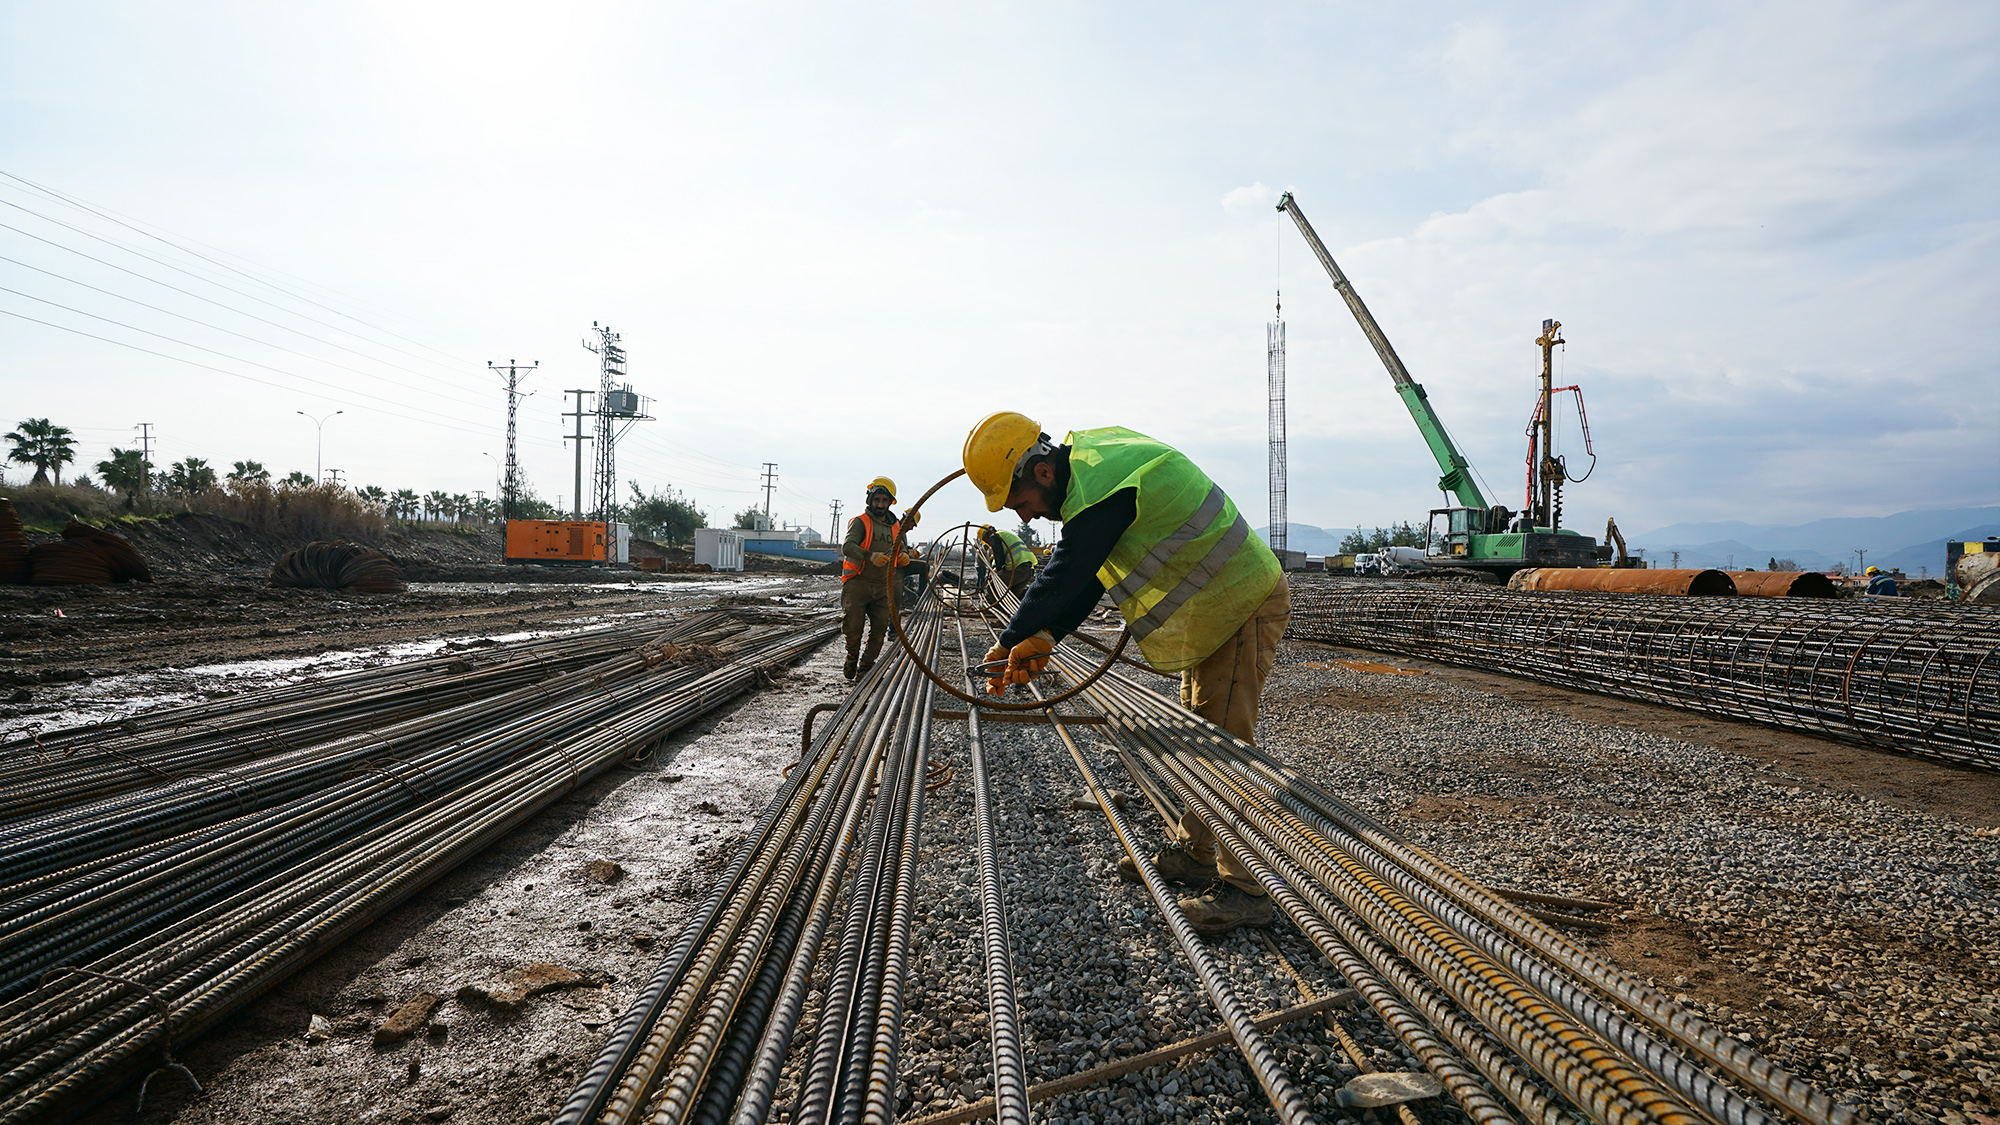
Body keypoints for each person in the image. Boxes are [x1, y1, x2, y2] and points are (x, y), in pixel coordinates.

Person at [962, 412, 1289, 934]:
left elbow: (1070, 566)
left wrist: (1007, 638)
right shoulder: (1094, 476)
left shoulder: (1103, 482)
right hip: (1217, 608)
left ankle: (1246, 889)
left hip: (1241, 600)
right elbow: (1090, 571)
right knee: (1202, 735)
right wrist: (1045, 635)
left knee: (1223, 747)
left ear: (1042, 473)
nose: (1025, 516)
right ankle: (1196, 852)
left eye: (1019, 501)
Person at [840, 476, 915, 680]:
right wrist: (869, 555)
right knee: (854, 629)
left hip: (882, 586)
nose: (880, 504)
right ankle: (852, 656)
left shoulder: (896, 527)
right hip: (858, 584)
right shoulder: (860, 522)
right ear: (870, 500)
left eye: (884, 500)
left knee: (880, 630)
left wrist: (905, 555)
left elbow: (903, 547)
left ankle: (865, 667)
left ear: (891, 502)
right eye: (877, 500)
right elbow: (847, 547)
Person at [977, 523, 1038, 597]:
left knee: (992, 587)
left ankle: (998, 608)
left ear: (987, 535)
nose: (987, 542)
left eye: (985, 540)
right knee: (1012, 596)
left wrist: (996, 574)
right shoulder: (1004, 534)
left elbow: (999, 560)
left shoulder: (994, 537)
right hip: (1028, 570)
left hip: (1017, 569)